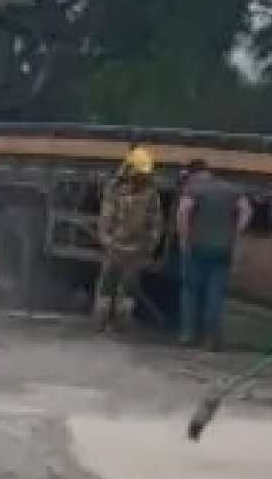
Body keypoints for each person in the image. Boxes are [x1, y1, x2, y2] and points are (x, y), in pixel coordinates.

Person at [176, 160, 252, 351]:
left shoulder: (192, 189)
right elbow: (246, 210)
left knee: (191, 290)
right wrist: (236, 231)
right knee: (215, 292)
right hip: (223, 248)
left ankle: (188, 334)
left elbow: (184, 211)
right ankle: (211, 337)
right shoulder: (230, 189)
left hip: (196, 247)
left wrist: (184, 238)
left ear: (193, 174)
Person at [94, 146, 164, 332]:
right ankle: (101, 321)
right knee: (107, 285)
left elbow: (155, 222)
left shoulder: (150, 193)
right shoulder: (115, 189)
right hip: (116, 246)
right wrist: (107, 240)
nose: (142, 177)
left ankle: (121, 323)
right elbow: (106, 217)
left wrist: (149, 245)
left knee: (128, 287)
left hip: (136, 248)